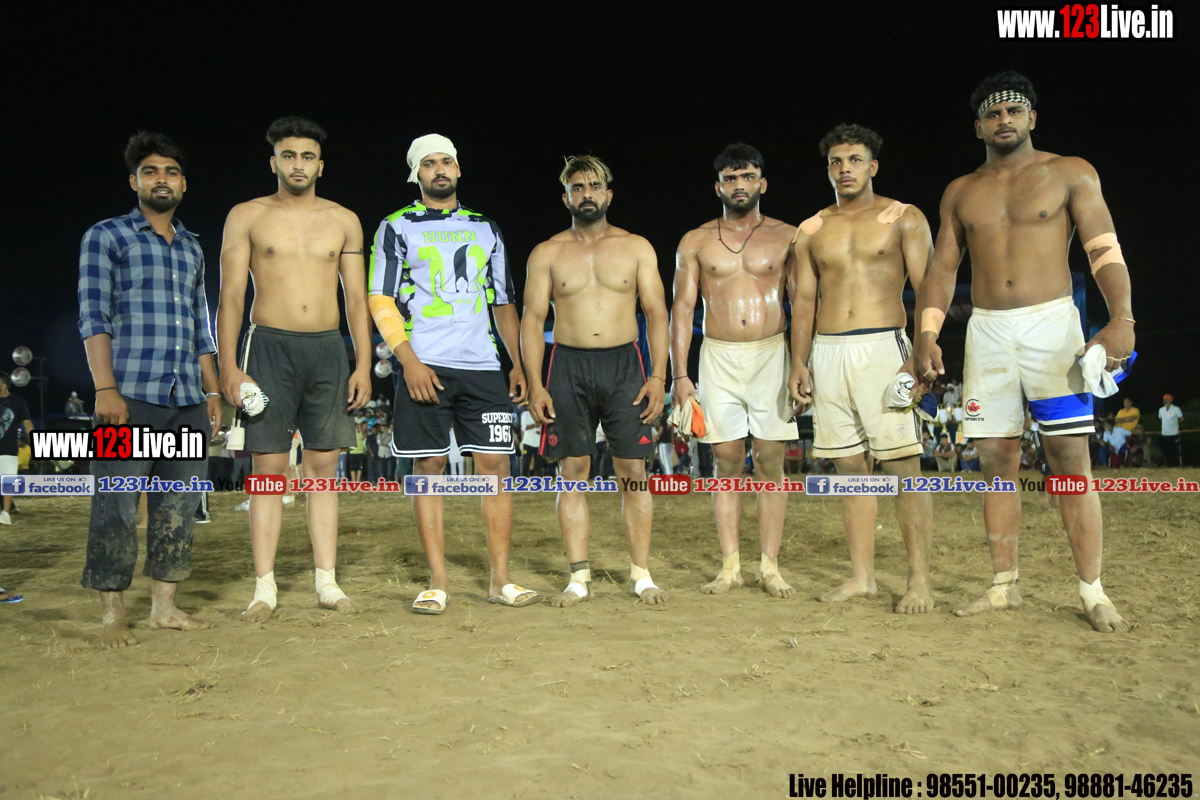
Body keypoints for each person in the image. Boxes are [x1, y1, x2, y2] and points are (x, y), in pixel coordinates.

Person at [913, 71, 1134, 632]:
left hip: (1052, 327)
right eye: (992, 113)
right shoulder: (961, 191)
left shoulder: (1070, 172)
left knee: (1070, 461)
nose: (1003, 120)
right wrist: (927, 334)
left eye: (1013, 110)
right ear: (978, 127)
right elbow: (942, 270)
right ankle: (1003, 585)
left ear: (1032, 117)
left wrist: (1122, 319)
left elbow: (1103, 248)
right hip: (987, 332)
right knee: (995, 461)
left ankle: (1092, 591)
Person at [368, 133, 535, 613]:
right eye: (428, 163)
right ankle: (437, 581)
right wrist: (408, 361)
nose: (439, 169)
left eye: (446, 161)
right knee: (429, 470)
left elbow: (503, 302)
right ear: (416, 174)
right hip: (425, 364)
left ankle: (500, 579)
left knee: (496, 468)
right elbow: (380, 298)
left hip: (483, 367)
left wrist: (517, 363)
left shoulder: (486, 228)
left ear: (458, 169)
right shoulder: (395, 226)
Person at [217, 117, 371, 622]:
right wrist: (228, 366)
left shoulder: (344, 219)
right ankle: (264, 588)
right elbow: (231, 295)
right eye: (288, 156)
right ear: (274, 162)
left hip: (327, 349)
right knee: (268, 469)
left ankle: (326, 581)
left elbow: (356, 300)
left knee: (323, 467)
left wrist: (363, 363)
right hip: (268, 348)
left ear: (320, 165)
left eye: (307, 156)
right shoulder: (247, 215)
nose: (298, 164)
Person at [77, 132, 221, 648]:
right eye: (151, 171)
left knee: (179, 503)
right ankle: (111, 614)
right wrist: (105, 388)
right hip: (129, 394)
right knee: (116, 502)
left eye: (172, 172)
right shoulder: (107, 236)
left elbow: (201, 326)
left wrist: (212, 392)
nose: (162, 179)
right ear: (134, 181)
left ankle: (164, 608)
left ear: (183, 184)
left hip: (186, 399)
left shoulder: (192, 247)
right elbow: (93, 316)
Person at [788, 124, 936, 613]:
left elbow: (927, 287)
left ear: (873, 166)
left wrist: (920, 351)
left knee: (902, 467)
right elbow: (803, 301)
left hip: (885, 348)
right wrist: (799, 361)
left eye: (854, 160)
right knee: (850, 467)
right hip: (828, 350)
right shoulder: (811, 229)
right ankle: (862, 577)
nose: (844, 169)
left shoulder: (904, 217)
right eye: (835, 161)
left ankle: (919, 581)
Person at [522, 155, 669, 607]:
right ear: (565, 197)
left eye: (593, 186)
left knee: (634, 472)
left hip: (626, 366)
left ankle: (641, 575)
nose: (586, 194)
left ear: (608, 194)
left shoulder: (636, 247)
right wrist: (535, 384)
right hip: (567, 367)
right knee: (572, 472)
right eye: (577, 187)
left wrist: (658, 375)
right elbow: (532, 320)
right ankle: (578, 577)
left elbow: (656, 313)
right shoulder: (546, 252)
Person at [671, 143, 800, 598]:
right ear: (718, 187)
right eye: (730, 178)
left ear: (762, 183)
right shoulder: (696, 240)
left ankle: (770, 567)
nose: (739, 185)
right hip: (718, 355)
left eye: (746, 177)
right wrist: (680, 376)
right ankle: (730, 567)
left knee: (769, 458)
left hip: (771, 353)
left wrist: (801, 364)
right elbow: (682, 309)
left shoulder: (788, 236)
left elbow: (804, 304)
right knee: (724, 457)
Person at [0, 372, 35, 525]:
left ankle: (5, 513)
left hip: (8, 448)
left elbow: (27, 424)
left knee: (8, 481)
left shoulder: (18, 402)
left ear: (3, 386)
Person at [1158, 394, 1183, 467]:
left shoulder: (1176, 409)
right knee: (1166, 450)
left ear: (1171, 400)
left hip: (1174, 433)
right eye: (1164, 399)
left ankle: (1176, 464)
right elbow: (1161, 419)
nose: (1165, 400)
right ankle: (1167, 464)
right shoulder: (1161, 410)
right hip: (1164, 433)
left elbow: (1181, 419)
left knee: (1174, 450)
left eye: (1167, 398)